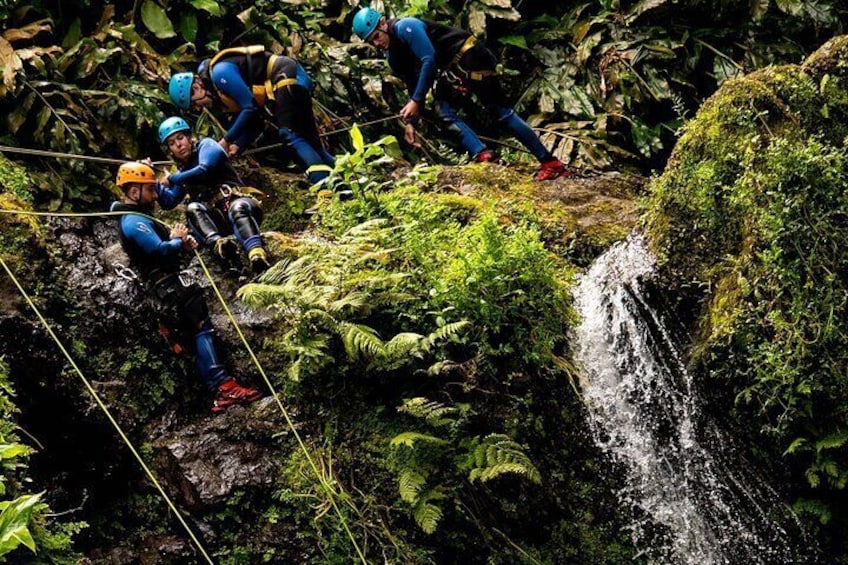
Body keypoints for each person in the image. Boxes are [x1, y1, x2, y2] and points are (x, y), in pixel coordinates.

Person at [110, 162, 263, 414]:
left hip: (167, 284)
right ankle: (223, 386)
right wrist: (177, 242)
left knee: (199, 330)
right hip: (166, 286)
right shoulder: (132, 221)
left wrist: (181, 243)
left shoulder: (137, 218)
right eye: (150, 190)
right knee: (201, 329)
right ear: (134, 192)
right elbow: (158, 250)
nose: (155, 194)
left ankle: (221, 388)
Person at [351, 7, 568, 181]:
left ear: (382, 24)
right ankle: (485, 156)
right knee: (444, 110)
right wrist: (411, 122)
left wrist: (417, 100)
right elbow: (412, 83)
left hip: (471, 56)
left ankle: (550, 163)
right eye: (371, 42)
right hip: (455, 70)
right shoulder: (393, 57)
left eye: (376, 36)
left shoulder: (407, 27)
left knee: (500, 112)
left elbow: (429, 59)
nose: (377, 43)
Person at [167, 46, 336, 186]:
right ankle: (344, 177)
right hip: (289, 80)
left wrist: (226, 140)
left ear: (196, 87)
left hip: (286, 75)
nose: (198, 108)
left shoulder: (220, 73)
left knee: (290, 135)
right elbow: (258, 120)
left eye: (195, 103)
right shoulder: (222, 94)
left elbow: (250, 107)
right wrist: (239, 145)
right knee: (312, 142)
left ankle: (323, 185)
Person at [156, 116, 270, 275]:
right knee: (192, 208)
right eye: (172, 143)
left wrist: (173, 179)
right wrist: (152, 182)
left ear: (189, 138)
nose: (178, 145)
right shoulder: (183, 173)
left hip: (240, 203)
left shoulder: (207, 145)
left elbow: (205, 168)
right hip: (217, 220)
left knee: (237, 208)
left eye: (180, 138)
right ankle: (220, 246)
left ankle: (256, 254)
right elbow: (168, 202)